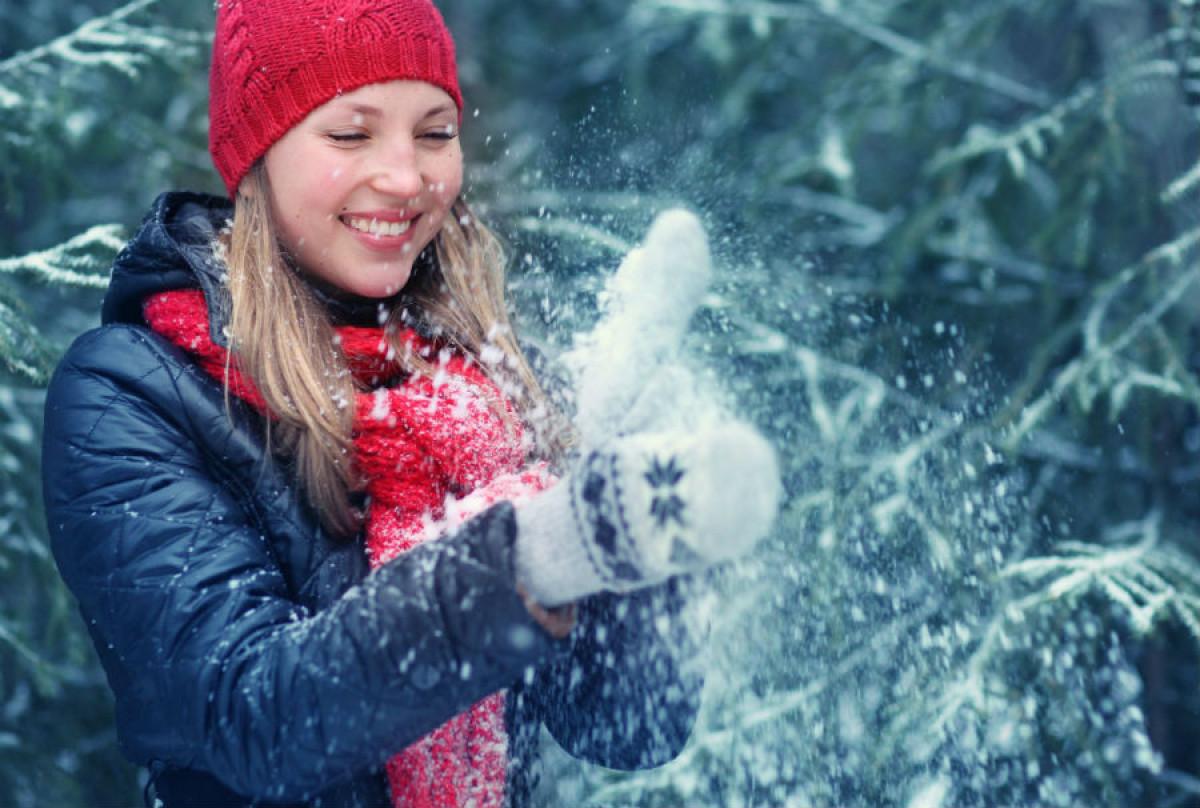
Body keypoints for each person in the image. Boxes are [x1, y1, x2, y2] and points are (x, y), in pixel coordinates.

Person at [40, 1, 781, 806]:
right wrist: (538, 549)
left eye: (433, 133)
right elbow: (253, 718)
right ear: (258, 153)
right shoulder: (132, 393)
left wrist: (626, 516)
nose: (405, 177)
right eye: (352, 134)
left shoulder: (479, 378)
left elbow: (626, 728)